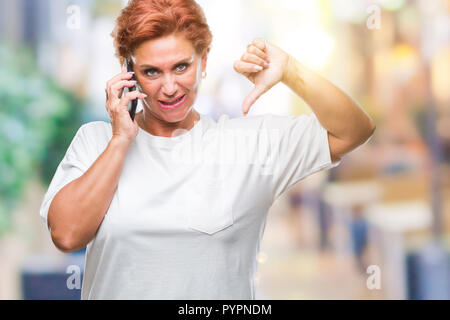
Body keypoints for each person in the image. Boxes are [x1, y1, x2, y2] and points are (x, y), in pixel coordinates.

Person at [39, 0, 376, 299]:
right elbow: (67, 235)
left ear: (203, 60)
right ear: (129, 73)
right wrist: (119, 141)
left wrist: (290, 71)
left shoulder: (249, 143)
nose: (169, 87)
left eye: (181, 67)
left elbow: (355, 130)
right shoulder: (95, 141)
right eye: (151, 72)